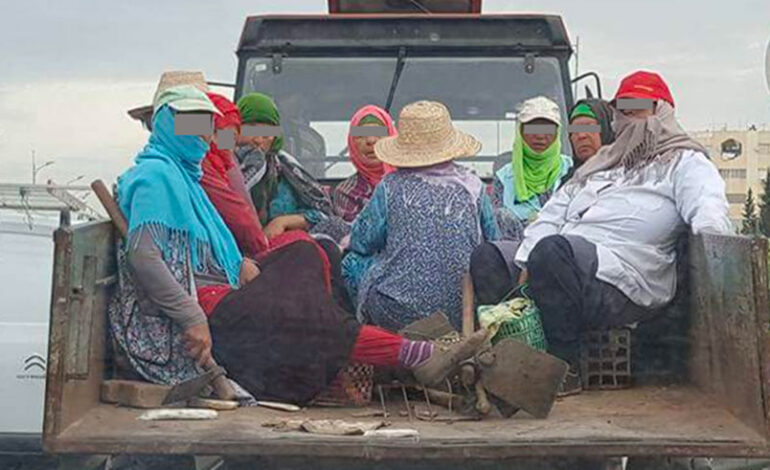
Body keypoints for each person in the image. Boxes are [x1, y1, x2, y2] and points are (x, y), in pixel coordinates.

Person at [108, 85, 488, 405]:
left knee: (306, 251)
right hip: (200, 304)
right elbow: (145, 257)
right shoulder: (157, 177)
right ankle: (417, 354)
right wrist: (192, 317)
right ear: (166, 127)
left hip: (226, 284)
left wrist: (244, 264)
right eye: (191, 125)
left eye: (208, 126)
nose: (205, 135)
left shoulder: (187, 174)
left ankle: (326, 329)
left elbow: (231, 240)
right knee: (307, 311)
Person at [470, 70, 732, 396]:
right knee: (489, 256)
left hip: (623, 278)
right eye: (623, 110)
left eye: (639, 109)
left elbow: (709, 212)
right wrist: (524, 265)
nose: (629, 119)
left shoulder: (685, 162)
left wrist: (723, 268)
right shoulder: (603, 164)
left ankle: (565, 369)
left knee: (554, 252)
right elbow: (552, 215)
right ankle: (512, 360)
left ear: (662, 111)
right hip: (563, 262)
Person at [342, 100, 500, 332]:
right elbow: (493, 241)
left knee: (350, 262)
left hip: (398, 312)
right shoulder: (473, 186)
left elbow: (362, 241)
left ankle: (373, 338)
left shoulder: (390, 186)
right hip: (465, 310)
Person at [234, 92, 337, 240]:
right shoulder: (221, 167)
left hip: (284, 248)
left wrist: (282, 222)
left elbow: (323, 215)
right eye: (251, 128)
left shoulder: (287, 169)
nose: (258, 140)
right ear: (235, 130)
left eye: (266, 133)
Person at [492, 96, 573, 240]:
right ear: (520, 132)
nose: (540, 136)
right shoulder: (503, 178)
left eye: (547, 129)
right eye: (532, 129)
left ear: (557, 133)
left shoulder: (572, 171)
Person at [200, 92, 269, 259]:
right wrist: (263, 246)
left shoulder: (226, 163)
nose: (260, 139)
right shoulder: (203, 166)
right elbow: (238, 215)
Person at [332, 105, 397, 223]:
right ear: (352, 143)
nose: (371, 141)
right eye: (361, 135)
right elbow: (354, 237)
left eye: (379, 133)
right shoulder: (346, 192)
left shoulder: (412, 182)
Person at [568, 98, 615, 166]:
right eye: (575, 130)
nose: (581, 135)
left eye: (589, 127)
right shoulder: (572, 176)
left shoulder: (629, 173)